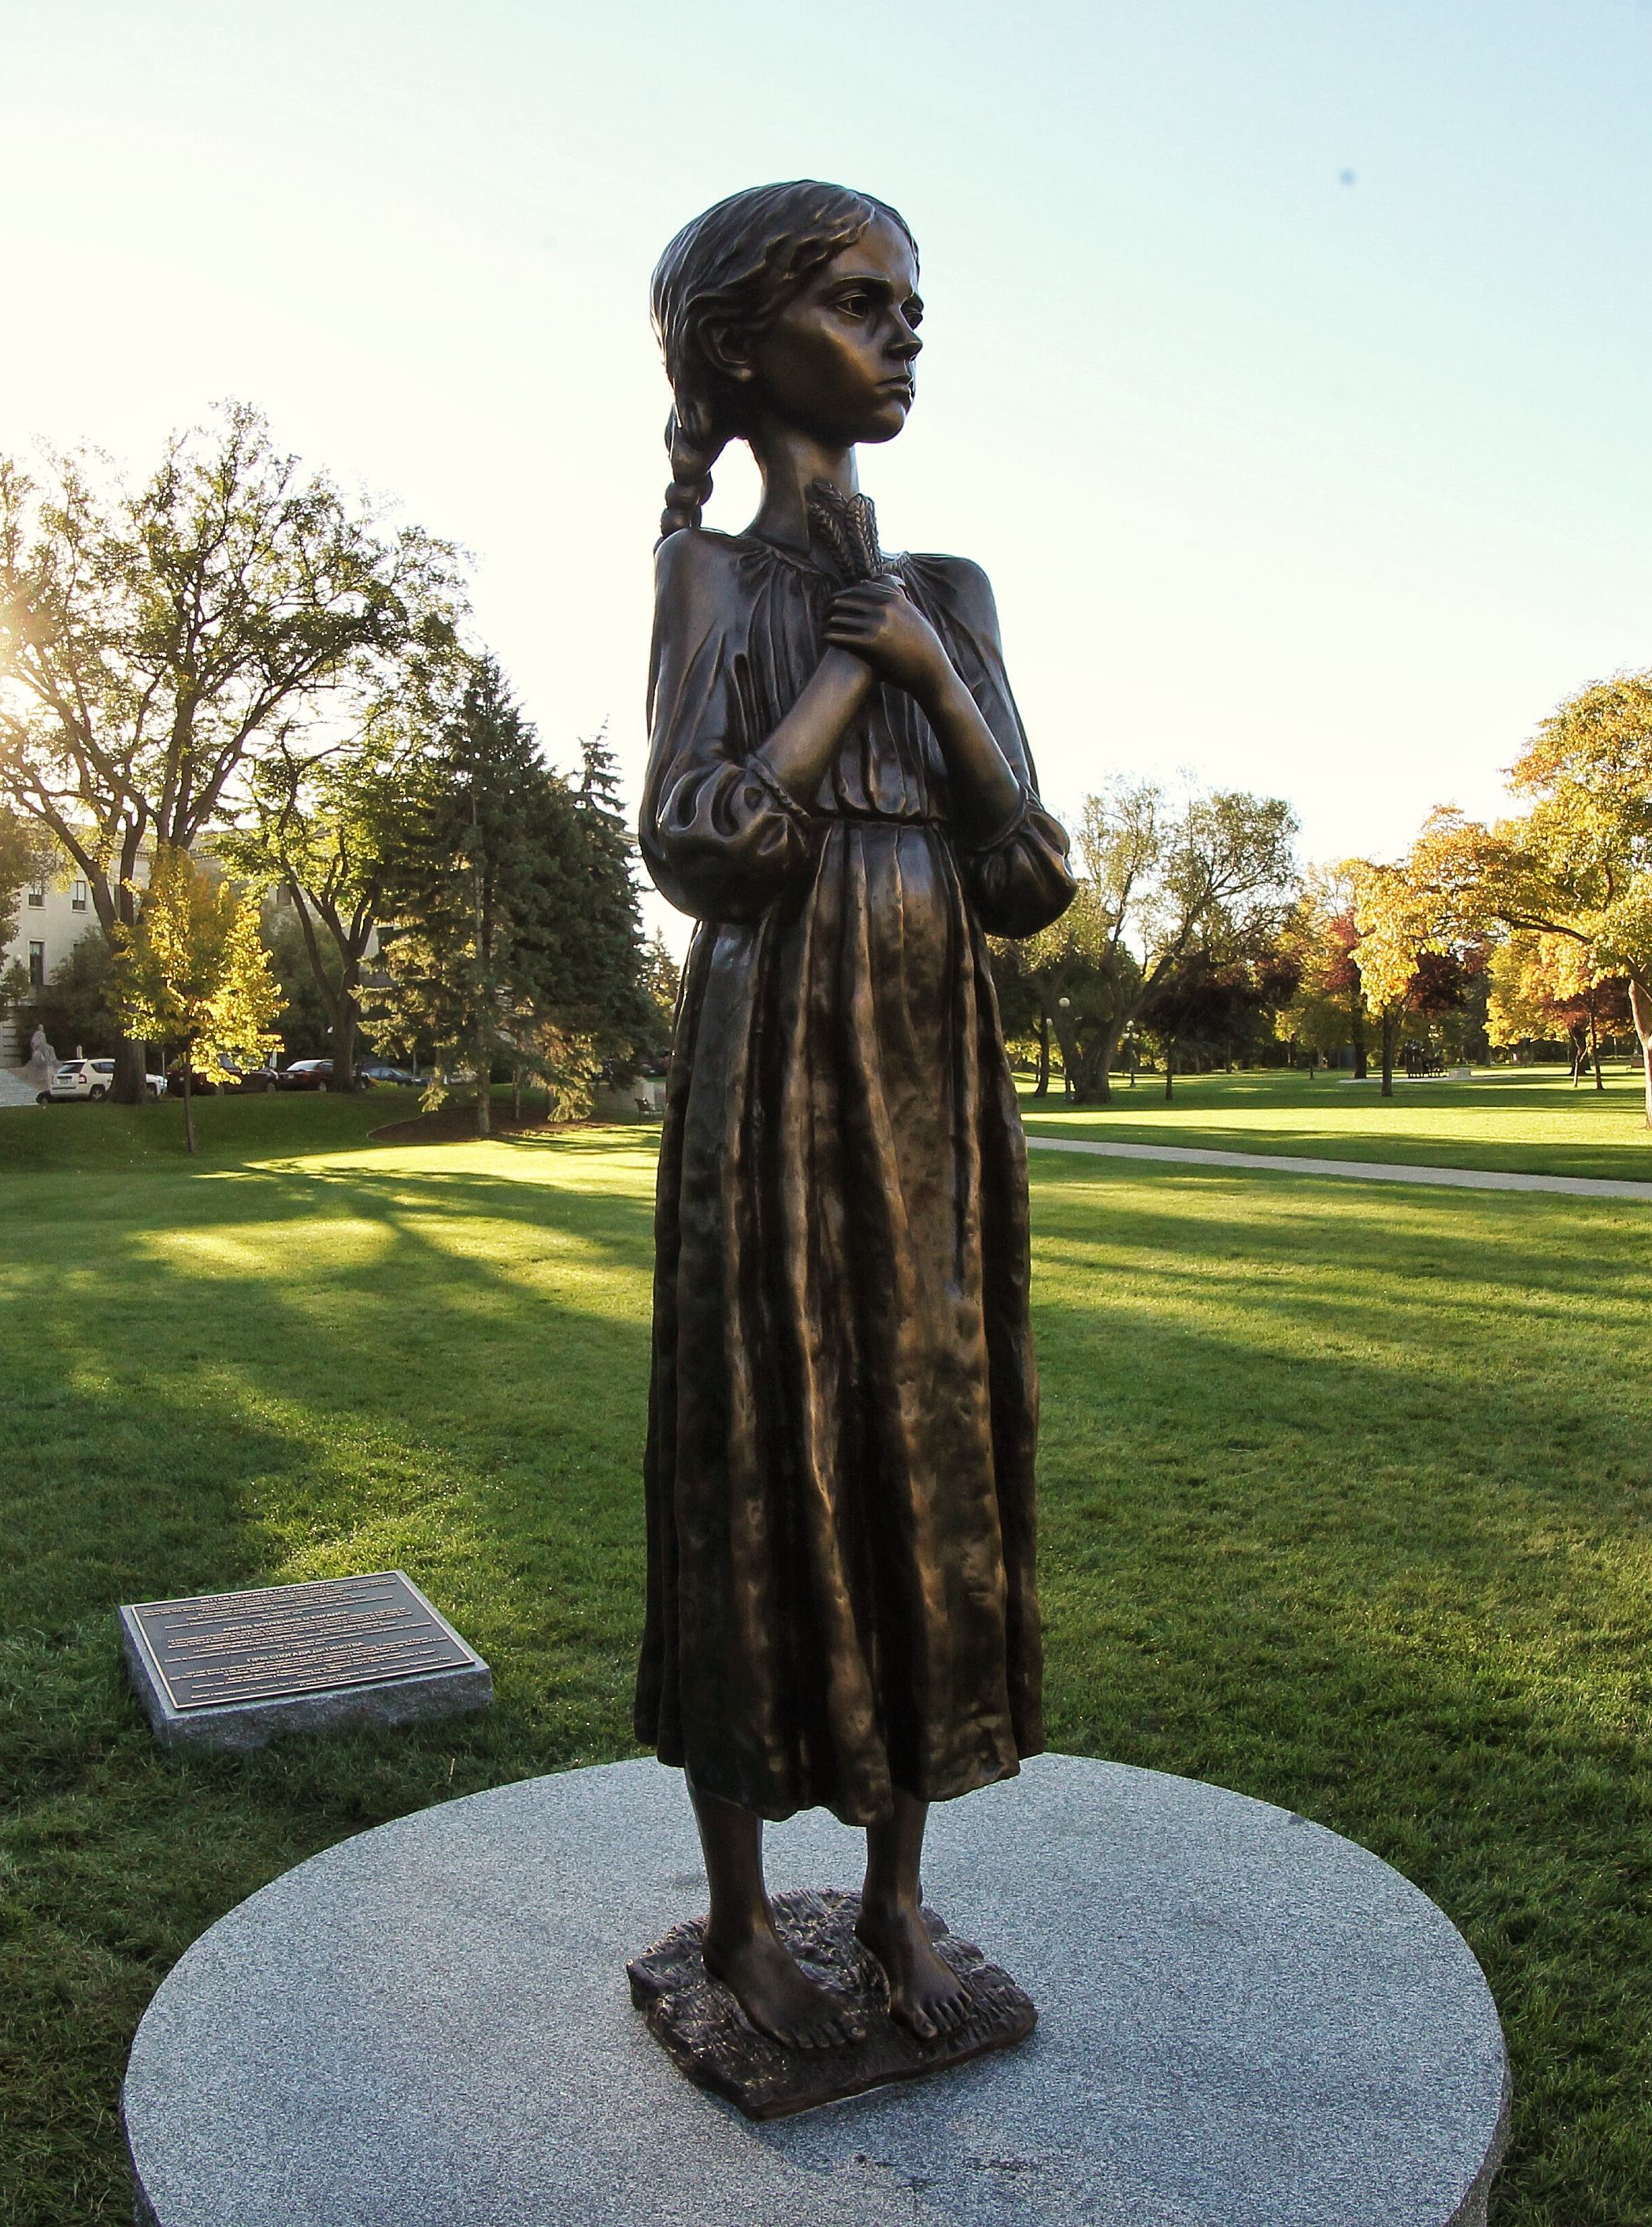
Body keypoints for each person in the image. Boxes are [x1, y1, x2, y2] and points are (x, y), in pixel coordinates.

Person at [635, 181, 1076, 2053]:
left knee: (932, 1431)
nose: (904, 330)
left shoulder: (954, 595)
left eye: (911, 302)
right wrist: (842, 678)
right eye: (860, 300)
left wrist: (933, 680)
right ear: (746, 345)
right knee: (760, 1435)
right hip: (774, 1044)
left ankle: (896, 1905)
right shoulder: (712, 583)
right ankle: (741, 1925)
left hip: (928, 1063)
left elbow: (1033, 874)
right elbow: (702, 841)